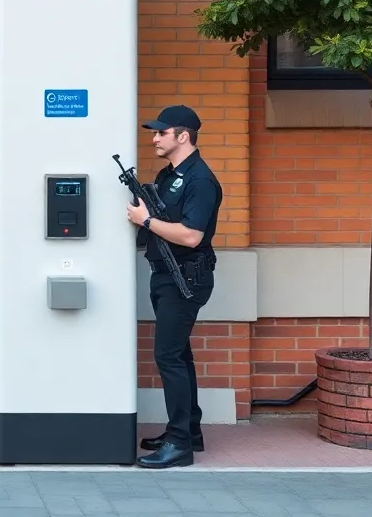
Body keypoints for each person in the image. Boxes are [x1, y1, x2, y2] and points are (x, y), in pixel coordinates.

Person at [125, 104, 222, 469]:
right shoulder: (169, 175)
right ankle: (188, 431)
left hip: (185, 277)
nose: (154, 139)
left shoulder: (200, 180)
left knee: (168, 356)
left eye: (161, 133)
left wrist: (146, 221)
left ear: (183, 136)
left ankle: (179, 444)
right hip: (166, 274)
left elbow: (192, 236)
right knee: (179, 354)